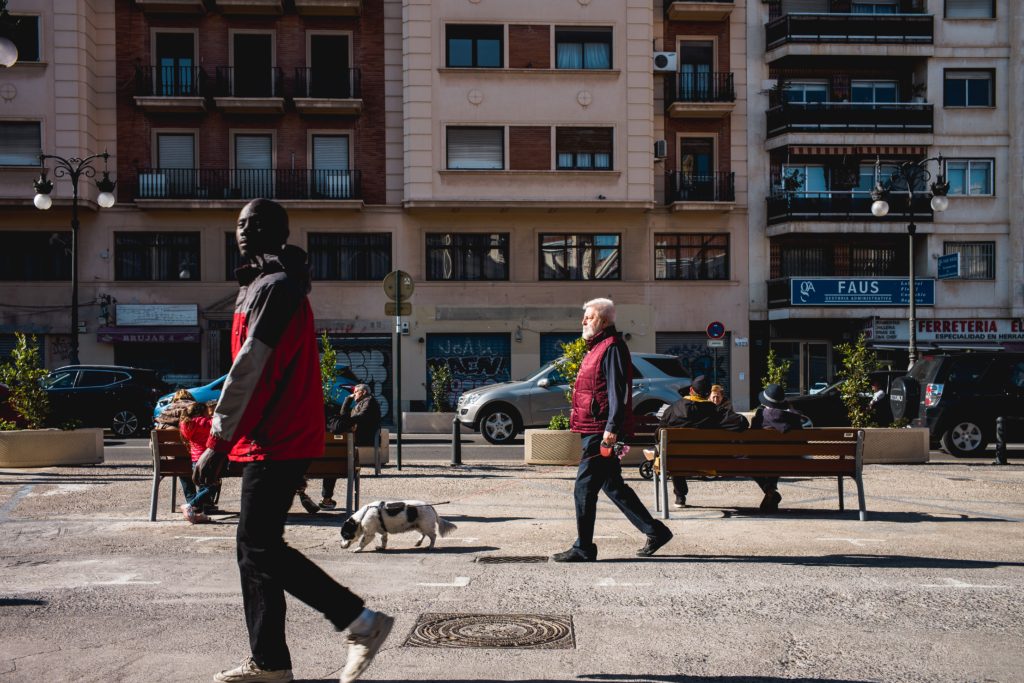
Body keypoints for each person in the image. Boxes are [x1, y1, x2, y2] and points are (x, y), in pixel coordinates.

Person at [193, 198, 392, 683]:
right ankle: (271, 662)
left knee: (258, 546)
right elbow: (249, 368)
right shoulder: (263, 285)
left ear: (279, 232)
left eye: (256, 223)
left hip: (279, 435)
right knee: (254, 548)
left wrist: (217, 440)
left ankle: (358, 621)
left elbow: (252, 367)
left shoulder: (275, 287)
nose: (244, 229)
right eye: (240, 223)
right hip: (273, 433)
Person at [551, 298, 673, 562]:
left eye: (589, 317)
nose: (584, 321)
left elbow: (618, 391)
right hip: (596, 427)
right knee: (613, 485)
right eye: (584, 316)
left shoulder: (612, 347)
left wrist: (612, 428)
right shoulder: (598, 347)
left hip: (601, 430)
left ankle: (584, 548)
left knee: (584, 488)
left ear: (604, 321)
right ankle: (656, 531)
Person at [659, 376, 749, 509]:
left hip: (677, 461)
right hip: (710, 461)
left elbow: (658, 434)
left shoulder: (672, 409)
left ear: (691, 390)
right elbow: (742, 423)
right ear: (708, 394)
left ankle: (680, 496)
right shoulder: (715, 411)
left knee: (676, 454)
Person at [322, 383, 381, 509]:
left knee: (332, 459)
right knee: (334, 459)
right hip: (352, 438)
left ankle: (326, 498)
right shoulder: (361, 403)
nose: (353, 395)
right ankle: (326, 499)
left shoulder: (369, 401)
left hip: (361, 437)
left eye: (355, 392)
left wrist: (344, 422)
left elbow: (361, 416)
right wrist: (347, 400)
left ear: (363, 392)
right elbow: (344, 415)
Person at [750, 383, 807, 511]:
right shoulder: (794, 418)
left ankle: (769, 490)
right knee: (777, 457)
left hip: (763, 459)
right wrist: (791, 409)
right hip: (793, 460)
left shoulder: (762, 416)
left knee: (748, 460)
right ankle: (770, 492)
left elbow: (751, 440)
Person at [178, 401, 218, 523]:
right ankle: (189, 505)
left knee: (203, 486)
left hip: (195, 459)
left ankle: (195, 513)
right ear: (201, 412)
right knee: (212, 486)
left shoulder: (186, 423)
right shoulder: (203, 422)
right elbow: (217, 425)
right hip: (206, 458)